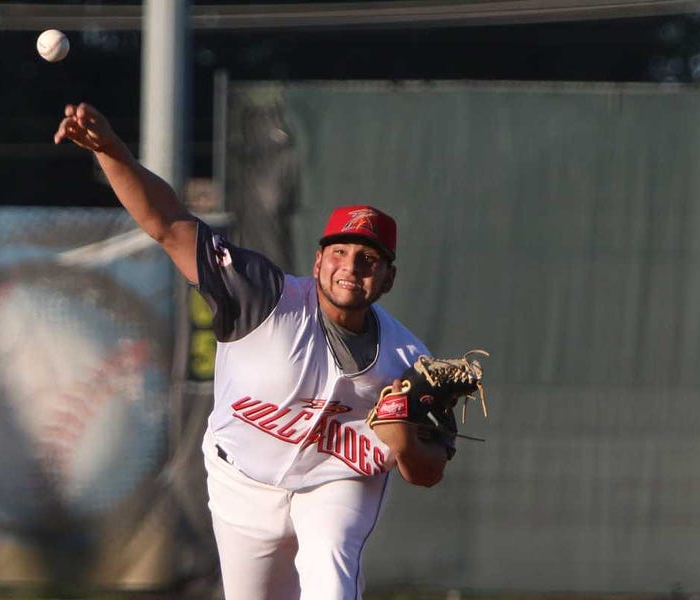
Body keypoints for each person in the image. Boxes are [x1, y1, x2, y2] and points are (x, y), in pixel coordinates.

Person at [54, 103, 450, 600]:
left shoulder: (413, 362)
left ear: (388, 277)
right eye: (341, 252)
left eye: (370, 259)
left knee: (330, 576)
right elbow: (168, 225)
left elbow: (427, 472)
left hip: (337, 486)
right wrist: (111, 150)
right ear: (319, 258)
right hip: (240, 481)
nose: (352, 267)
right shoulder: (263, 297)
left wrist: (406, 442)